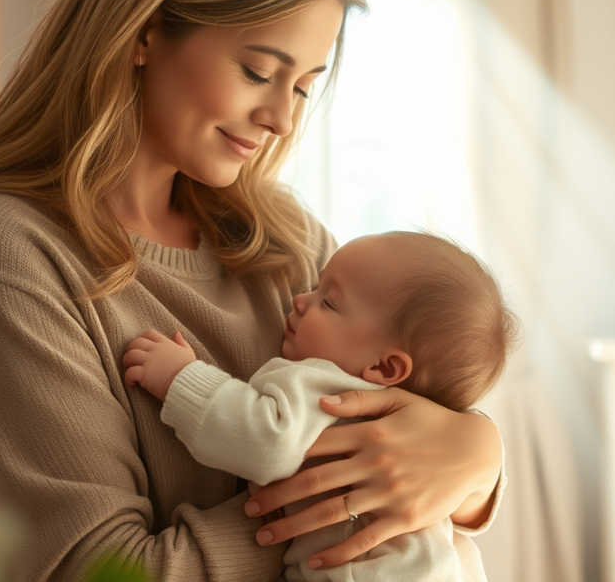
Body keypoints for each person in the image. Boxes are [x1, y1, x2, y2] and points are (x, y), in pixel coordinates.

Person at [0, 0, 507, 580]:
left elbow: (421, 398)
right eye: (257, 70)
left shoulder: (282, 244)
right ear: (146, 28)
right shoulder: (2, 259)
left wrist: (477, 454)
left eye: (303, 86)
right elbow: (97, 570)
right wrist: (337, 503)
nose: (282, 118)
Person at [122, 231, 516, 581]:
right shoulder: (399, 411)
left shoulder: (324, 385)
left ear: (384, 367)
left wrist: (181, 378)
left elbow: (265, 438)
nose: (300, 299)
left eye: (328, 302)